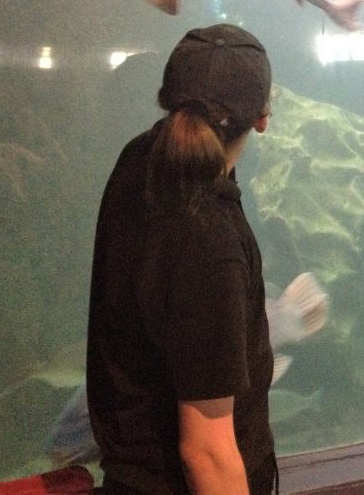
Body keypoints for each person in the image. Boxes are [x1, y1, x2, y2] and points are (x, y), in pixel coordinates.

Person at [86, 24, 276, 494]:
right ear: (263, 116)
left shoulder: (138, 160)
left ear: (167, 100)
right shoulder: (206, 236)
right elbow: (206, 452)